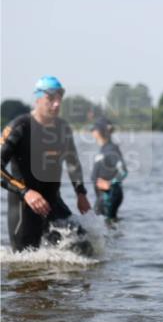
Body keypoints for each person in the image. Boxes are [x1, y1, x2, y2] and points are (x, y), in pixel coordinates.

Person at [1, 76, 92, 251]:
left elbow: (73, 162)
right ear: (38, 99)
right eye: (51, 98)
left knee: (84, 247)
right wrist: (25, 192)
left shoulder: (63, 128)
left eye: (59, 98)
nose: (56, 103)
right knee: (26, 268)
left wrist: (81, 193)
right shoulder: (20, 127)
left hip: (53, 204)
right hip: (25, 208)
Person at [90, 118, 128, 220]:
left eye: (93, 129)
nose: (91, 132)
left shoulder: (111, 149)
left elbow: (123, 171)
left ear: (99, 131)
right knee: (107, 226)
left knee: (104, 225)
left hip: (109, 196)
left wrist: (110, 183)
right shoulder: (104, 149)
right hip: (103, 196)